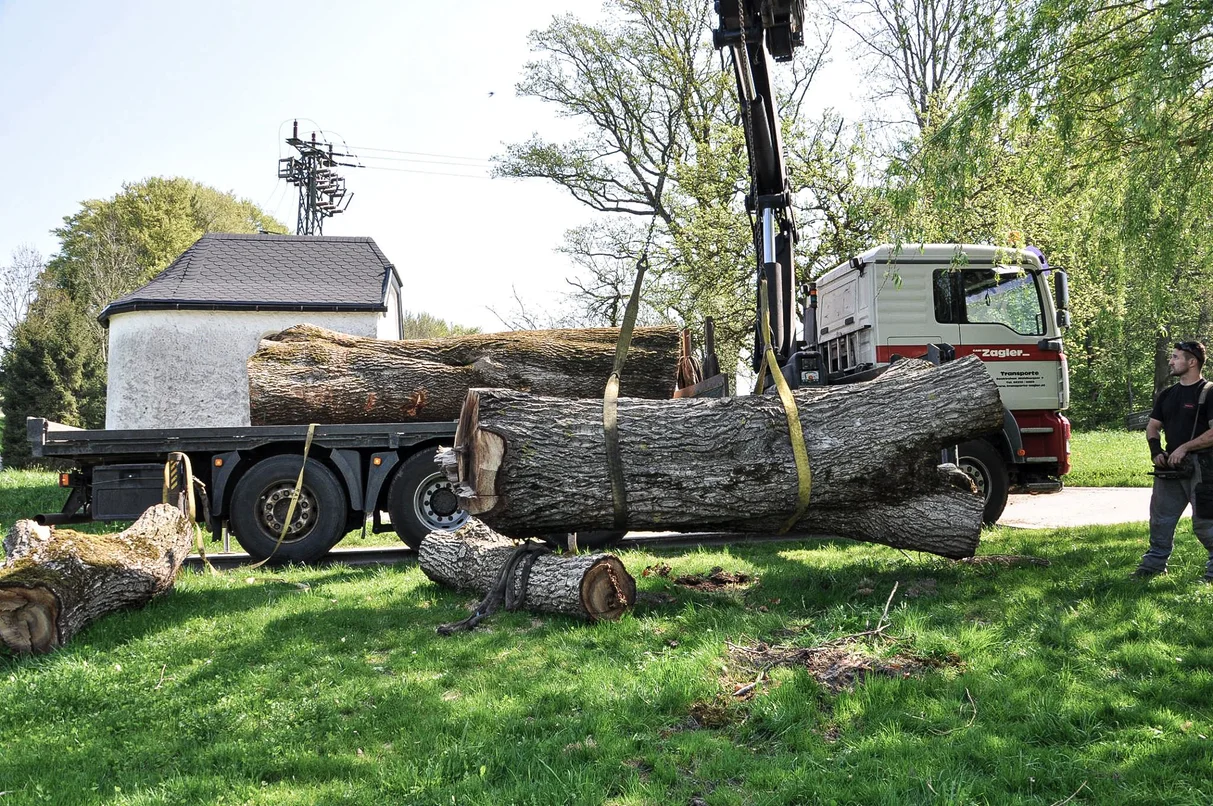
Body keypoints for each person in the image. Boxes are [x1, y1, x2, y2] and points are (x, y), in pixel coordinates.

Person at [1133, 341, 1213, 580]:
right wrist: (1156, 451)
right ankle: (1152, 566)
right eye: (1171, 357)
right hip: (1170, 468)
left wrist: (1185, 448)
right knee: (1160, 520)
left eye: (1176, 357)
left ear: (1192, 362)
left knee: (1206, 522)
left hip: (1204, 468)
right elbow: (1153, 426)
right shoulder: (1167, 394)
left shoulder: (1209, 392)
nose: (1170, 361)